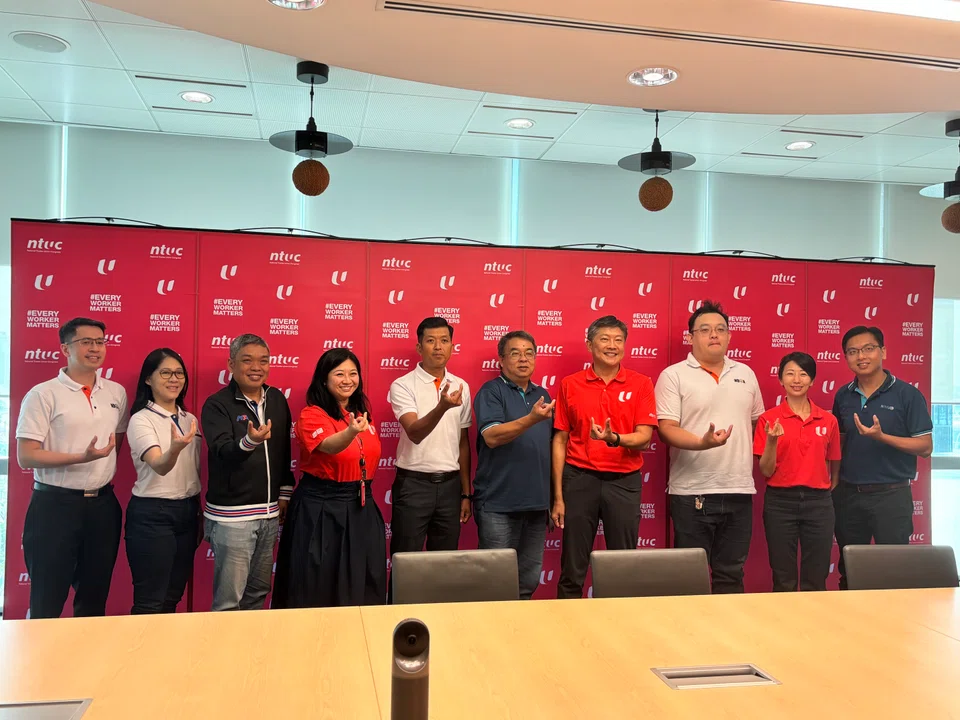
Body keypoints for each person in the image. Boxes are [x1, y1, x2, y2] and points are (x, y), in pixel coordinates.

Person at [15, 317, 127, 618]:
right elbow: (26, 456)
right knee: (47, 598)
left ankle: (87, 663)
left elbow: (115, 442)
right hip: (54, 506)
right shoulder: (43, 394)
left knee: (94, 597)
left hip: (103, 506)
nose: (95, 348)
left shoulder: (116, 393)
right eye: (86, 342)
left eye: (100, 342)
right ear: (65, 348)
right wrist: (81, 457)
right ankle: (40, 663)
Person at [655, 300, 764, 594]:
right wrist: (702, 443)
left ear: (729, 336)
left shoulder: (747, 374)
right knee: (689, 579)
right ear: (690, 337)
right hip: (692, 492)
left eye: (720, 329)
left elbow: (757, 425)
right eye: (705, 330)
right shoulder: (673, 375)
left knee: (731, 576)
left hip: (739, 490)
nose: (714, 335)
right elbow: (666, 430)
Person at [551, 315, 658, 599]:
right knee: (573, 566)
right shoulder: (570, 384)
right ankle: (565, 625)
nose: (612, 346)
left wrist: (614, 439)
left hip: (623, 482)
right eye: (604, 339)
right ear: (590, 344)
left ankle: (621, 629)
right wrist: (559, 497)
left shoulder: (642, 383)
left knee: (622, 565)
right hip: (579, 479)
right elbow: (560, 439)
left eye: (618, 340)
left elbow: (644, 437)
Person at [273, 348, 386, 607]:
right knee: (317, 584)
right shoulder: (312, 414)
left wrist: (353, 426)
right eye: (339, 374)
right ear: (324, 379)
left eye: (353, 373)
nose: (347, 380)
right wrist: (350, 432)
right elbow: (329, 446)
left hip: (360, 507)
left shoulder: (360, 414)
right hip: (321, 508)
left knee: (362, 580)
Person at [832, 325, 932, 590]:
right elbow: (839, 444)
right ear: (846, 357)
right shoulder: (843, 395)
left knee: (895, 571)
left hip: (892, 497)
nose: (861, 356)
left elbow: (925, 446)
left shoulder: (907, 394)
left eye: (868, 349)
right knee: (850, 570)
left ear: (883, 351)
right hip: (849, 496)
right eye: (853, 351)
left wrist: (881, 437)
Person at [200, 334, 294, 611]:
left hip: (268, 515)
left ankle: (250, 653)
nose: (257, 367)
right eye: (247, 360)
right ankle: (225, 654)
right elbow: (222, 451)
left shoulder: (276, 398)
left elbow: (283, 451)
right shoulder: (217, 404)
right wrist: (250, 442)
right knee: (230, 600)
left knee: (258, 592)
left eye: (263, 361)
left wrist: (285, 492)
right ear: (231, 364)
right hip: (233, 519)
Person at [474, 331, 555, 600]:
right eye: (515, 353)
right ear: (501, 359)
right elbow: (492, 437)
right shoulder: (491, 391)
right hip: (498, 504)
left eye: (529, 353)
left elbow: (552, 447)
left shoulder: (542, 394)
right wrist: (531, 419)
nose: (523, 359)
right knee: (494, 582)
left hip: (536, 504)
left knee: (527, 581)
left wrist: (555, 498)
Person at [754, 352, 840, 592]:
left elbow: (834, 466)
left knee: (817, 575)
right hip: (780, 502)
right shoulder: (768, 419)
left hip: (819, 503)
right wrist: (772, 441)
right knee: (783, 576)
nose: (797, 379)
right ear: (780, 379)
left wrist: (819, 489)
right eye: (790, 373)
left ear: (812, 380)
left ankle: (814, 627)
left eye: (804, 374)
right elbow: (765, 470)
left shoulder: (828, 420)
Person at [388, 318, 473, 560]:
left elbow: (463, 442)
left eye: (444, 341)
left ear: (451, 346)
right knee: (405, 562)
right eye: (431, 341)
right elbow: (414, 433)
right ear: (419, 347)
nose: (438, 347)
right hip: (413, 486)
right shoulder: (402, 385)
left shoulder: (461, 386)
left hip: (450, 487)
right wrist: (442, 407)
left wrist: (466, 494)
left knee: (444, 565)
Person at [125, 348, 202, 614]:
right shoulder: (141, 419)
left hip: (189, 512)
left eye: (179, 373)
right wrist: (175, 448)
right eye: (166, 372)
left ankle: (164, 655)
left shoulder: (189, 419)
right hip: (153, 515)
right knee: (150, 601)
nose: (174, 379)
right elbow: (159, 465)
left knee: (172, 598)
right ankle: (141, 656)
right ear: (148, 379)